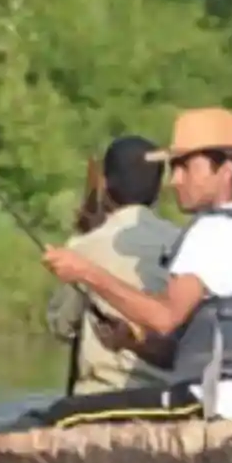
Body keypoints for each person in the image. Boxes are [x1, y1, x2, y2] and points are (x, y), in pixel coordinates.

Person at [3, 107, 232, 430]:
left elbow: (164, 318)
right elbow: (198, 347)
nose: (174, 180)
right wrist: (134, 343)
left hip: (215, 403)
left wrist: (86, 272)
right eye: (173, 168)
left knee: (63, 416)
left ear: (225, 168)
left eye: (186, 167)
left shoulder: (213, 230)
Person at [45, 135, 181, 396]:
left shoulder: (84, 246)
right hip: (167, 399)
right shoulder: (183, 241)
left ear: (105, 184)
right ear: (158, 188)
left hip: (100, 397)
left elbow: (62, 326)